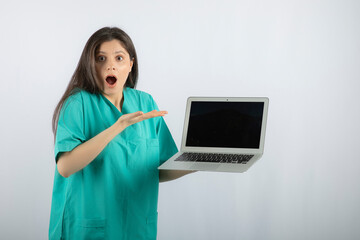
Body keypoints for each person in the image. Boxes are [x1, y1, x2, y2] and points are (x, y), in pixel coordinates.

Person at [49, 26, 193, 240]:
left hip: (136, 225)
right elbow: (65, 167)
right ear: (90, 64)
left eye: (119, 58)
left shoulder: (145, 103)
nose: (110, 66)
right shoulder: (78, 103)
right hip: (89, 226)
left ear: (130, 65)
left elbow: (157, 171)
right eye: (100, 58)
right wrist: (117, 127)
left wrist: (197, 162)